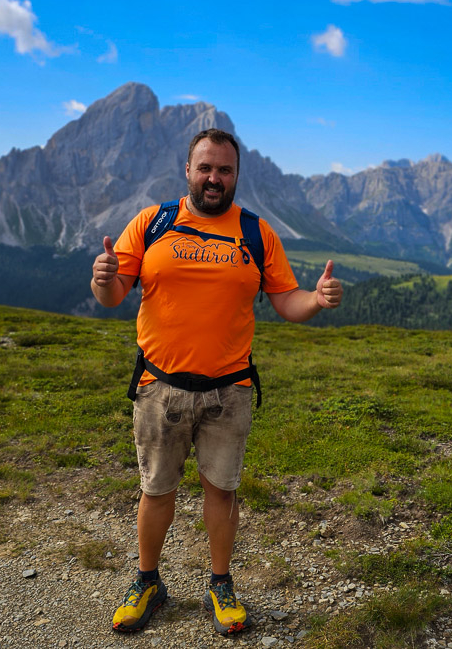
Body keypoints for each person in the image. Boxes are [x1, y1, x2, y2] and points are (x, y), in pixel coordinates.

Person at [91, 128, 342, 636]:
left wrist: (316, 300)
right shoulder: (152, 222)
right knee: (156, 490)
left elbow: (286, 300)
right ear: (188, 170)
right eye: (205, 167)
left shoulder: (256, 232)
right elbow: (115, 294)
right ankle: (146, 582)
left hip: (230, 391)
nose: (214, 178)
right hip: (159, 386)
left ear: (236, 175)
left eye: (224, 170)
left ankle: (221, 585)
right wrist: (103, 279)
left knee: (221, 492)